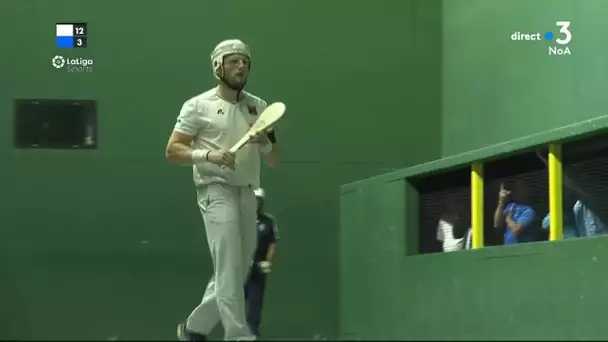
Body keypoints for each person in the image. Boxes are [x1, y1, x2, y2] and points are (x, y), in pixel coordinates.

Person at [165, 38, 280, 341]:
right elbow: (173, 150)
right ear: (218, 66)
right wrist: (208, 155)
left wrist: (264, 141)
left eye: (245, 61)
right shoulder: (197, 106)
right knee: (229, 266)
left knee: (237, 271)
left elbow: (275, 159)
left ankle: (194, 329)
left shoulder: (259, 107)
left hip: (246, 192)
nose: (241, 66)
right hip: (214, 189)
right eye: (233, 61)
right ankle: (239, 335)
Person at [244, 188, 279, 337]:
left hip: (258, 269)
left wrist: (267, 262)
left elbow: (272, 243)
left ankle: (252, 335)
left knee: (255, 305)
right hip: (240, 268)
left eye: (259, 200)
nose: (256, 202)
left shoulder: (269, 221)